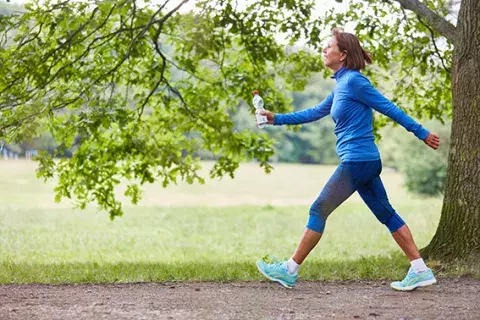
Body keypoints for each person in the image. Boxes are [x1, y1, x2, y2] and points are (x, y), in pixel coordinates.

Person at [256, 29, 440, 291]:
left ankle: (289, 270)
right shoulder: (341, 85)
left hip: (357, 162)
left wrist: (421, 133)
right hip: (364, 162)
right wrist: (276, 119)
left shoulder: (355, 82)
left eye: (328, 46)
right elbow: (314, 112)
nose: (324, 50)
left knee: (318, 210)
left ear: (342, 54)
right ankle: (420, 269)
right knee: (386, 214)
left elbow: (388, 107)